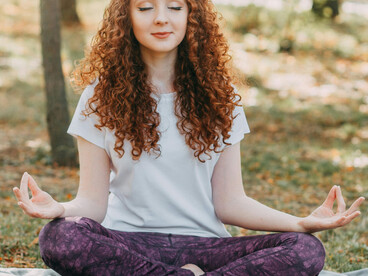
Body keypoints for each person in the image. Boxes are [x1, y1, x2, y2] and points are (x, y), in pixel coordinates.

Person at [13, 0, 364, 275]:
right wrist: (61, 209)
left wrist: (300, 223)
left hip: (207, 248)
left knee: (306, 250)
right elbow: (91, 203)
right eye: (146, 7)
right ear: (126, 17)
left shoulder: (221, 97)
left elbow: (230, 203)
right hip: (129, 245)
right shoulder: (99, 96)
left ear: (192, 17)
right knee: (60, 237)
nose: (161, 18)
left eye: (175, 7)